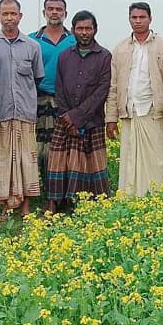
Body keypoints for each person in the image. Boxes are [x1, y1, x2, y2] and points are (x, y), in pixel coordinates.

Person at [0, 0, 44, 220]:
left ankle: (26, 206)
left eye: (13, 14)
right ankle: (5, 207)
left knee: (26, 160)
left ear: (20, 16)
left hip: (24, 112)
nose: (9, 18)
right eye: (5, 14)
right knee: (0, 161)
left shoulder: (32, 46)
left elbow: (36, 78)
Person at [47, 11, 112, 213]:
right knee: (58, 162)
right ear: (73, 30)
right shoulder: (65, 56)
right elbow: (59, 88)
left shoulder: (104, 56)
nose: (84, 32)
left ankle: (87, 206)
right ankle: (55, 204)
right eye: (80, 28)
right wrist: (68, 118)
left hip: (92, 120)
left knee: (91, 165)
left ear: (95, 30)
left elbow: (102, 90)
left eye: (88, 28)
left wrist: (77, 117)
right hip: (65, 121)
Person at [106, 2, 163, 197]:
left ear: (150, 19)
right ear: (129, 20)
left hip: (153, 111)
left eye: (142, 17)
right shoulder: (120, 48)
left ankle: (157, 197)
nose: (138, 21)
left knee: (157, 158)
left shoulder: (162, 45)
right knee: (130, 158)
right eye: (134, 17)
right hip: (130, 111)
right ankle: (130, 198)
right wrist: (110, 118)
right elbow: (113, 85)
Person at [30, 0, 77, 188]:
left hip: (66, 100)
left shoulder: (74, 40)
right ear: (44, 12)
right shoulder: (32, 40)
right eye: (50, 9)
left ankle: (66, 191)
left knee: (66, 145)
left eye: (59, 9)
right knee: (42, 147)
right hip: (40, 98)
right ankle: (47, 191)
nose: (54, 12)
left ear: (65, 13)